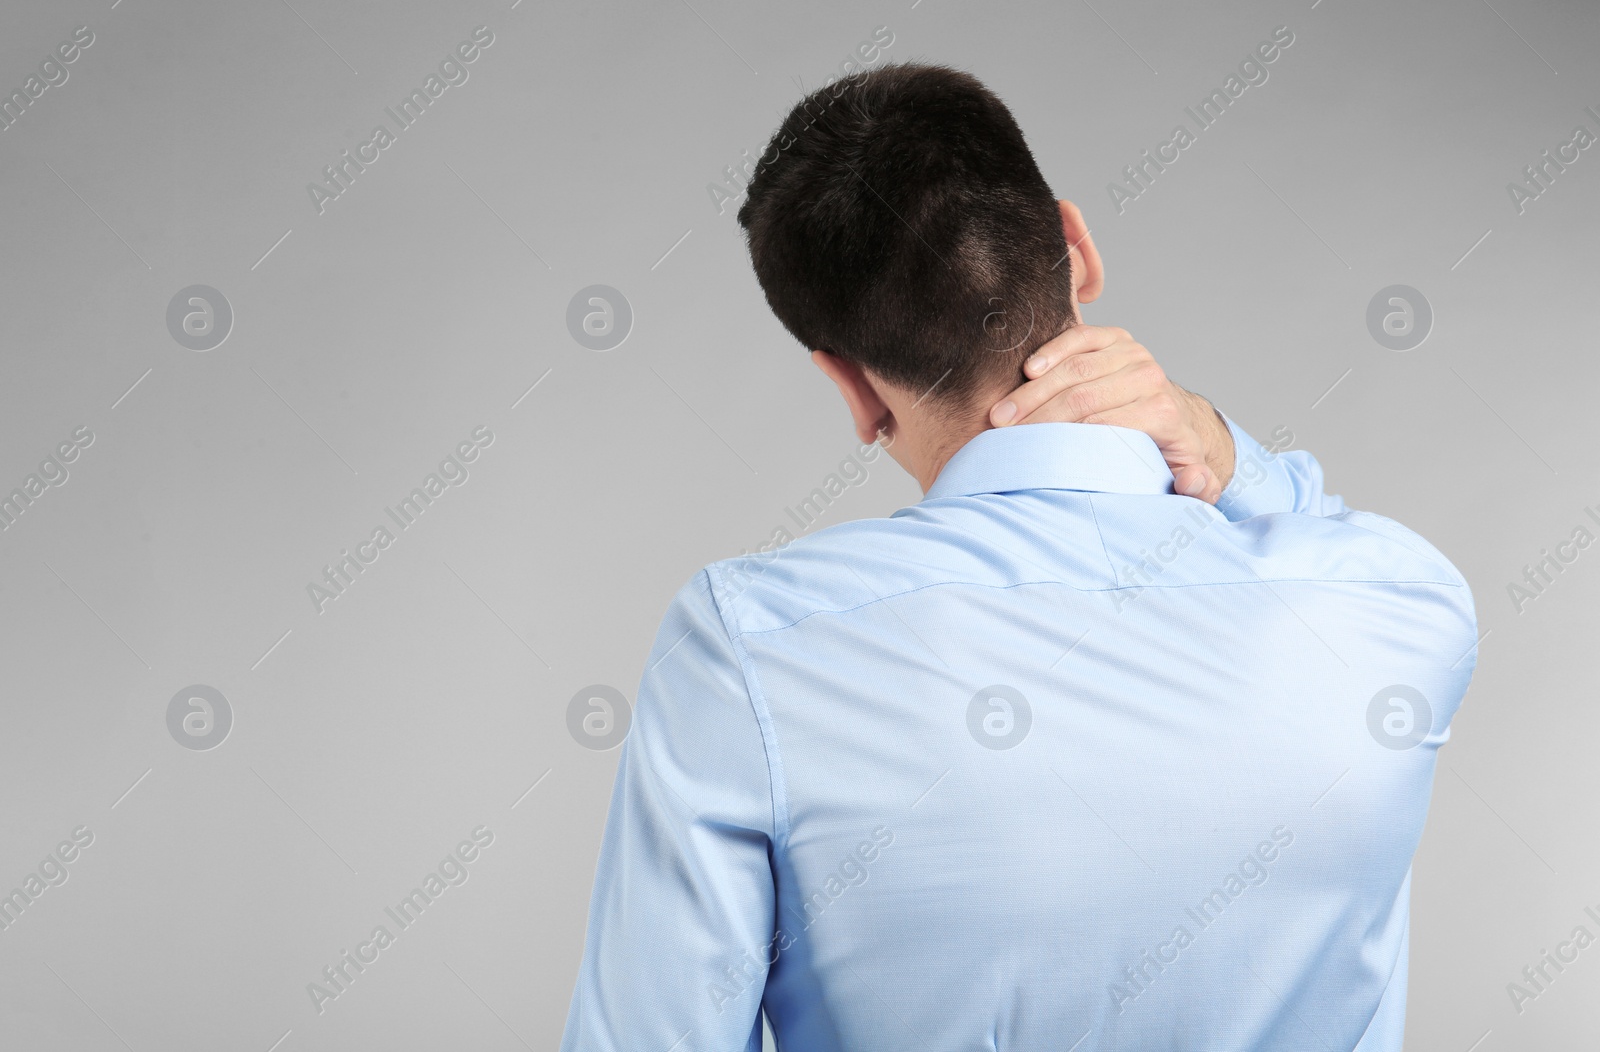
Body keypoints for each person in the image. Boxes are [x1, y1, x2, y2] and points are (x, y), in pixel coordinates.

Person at [558, 62, 1477, 1052]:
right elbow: (1314, 521)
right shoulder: (1394, 603)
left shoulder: (743, 649)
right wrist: (1214, 439)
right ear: (1075, 248)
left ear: (850, 387)